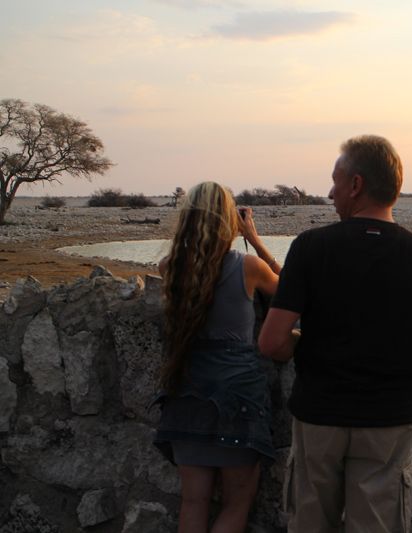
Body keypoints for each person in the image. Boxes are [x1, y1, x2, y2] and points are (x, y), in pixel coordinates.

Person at [258, 135, 412, 533]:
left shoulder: (309, 248)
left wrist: (302, 344)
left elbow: (271, 342)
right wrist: (404, 348)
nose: (330, 192)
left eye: (335, 181)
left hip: (319, 416)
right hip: (387, 422)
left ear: (356, 185)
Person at [151, 181, 282, 533]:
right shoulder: (248, 267)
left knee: (194, 501)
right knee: (237, 504)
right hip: (238, 394)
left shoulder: (170, 267)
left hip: (187, 392)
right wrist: (253, 238)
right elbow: (291, 293)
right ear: (230, 220)